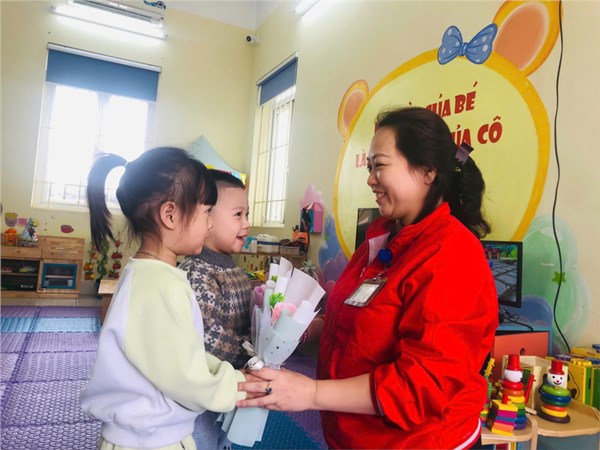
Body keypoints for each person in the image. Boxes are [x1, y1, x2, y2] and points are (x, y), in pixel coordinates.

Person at [237, 106, 499, 449]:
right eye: (369, 167)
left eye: (380, 166)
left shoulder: (453, 255)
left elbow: (419, 388)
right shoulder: (381, 239)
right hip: (356, 436)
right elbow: (360, 321)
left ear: (427, 172)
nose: (370, 179)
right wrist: (302, 330)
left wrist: (311, 393)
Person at [80, 147, 258, 450]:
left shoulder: (155, 275)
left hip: (155, 436)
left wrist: (230, 376)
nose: (210, 224)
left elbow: (184, 353)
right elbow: (185, 377)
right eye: (206, 213)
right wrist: (238, 386)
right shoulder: (158, 284)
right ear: (171, 215)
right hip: (145, 443)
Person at [178, 169, 252, 449]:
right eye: (238, 215)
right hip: (205, 390)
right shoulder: (198, 272)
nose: (247, 224)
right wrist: (250, 351)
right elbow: (206, 337)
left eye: (247, 214)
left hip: (230, 383)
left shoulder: (235, 270)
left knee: (224, 439)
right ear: (207, 218)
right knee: (203, 440)